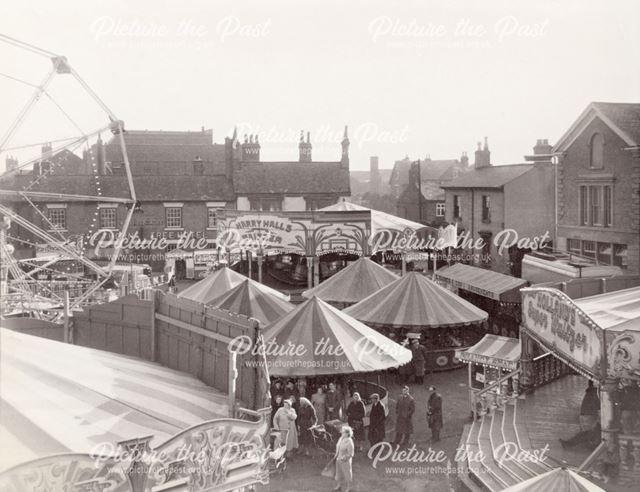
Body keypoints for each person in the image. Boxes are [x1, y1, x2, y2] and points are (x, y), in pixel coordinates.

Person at [333, 425, 355, 492]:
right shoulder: (341, 438)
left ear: (347, 433)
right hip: (338, 459)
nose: (341, 433)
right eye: (341, 432)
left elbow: (351, 453)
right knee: (338, 473)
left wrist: (345, 457)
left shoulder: (349, 441)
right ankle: (339, 485)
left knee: (347, 474)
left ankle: (349, 487)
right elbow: (338, 447)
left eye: (343, 432)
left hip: (345, 461)